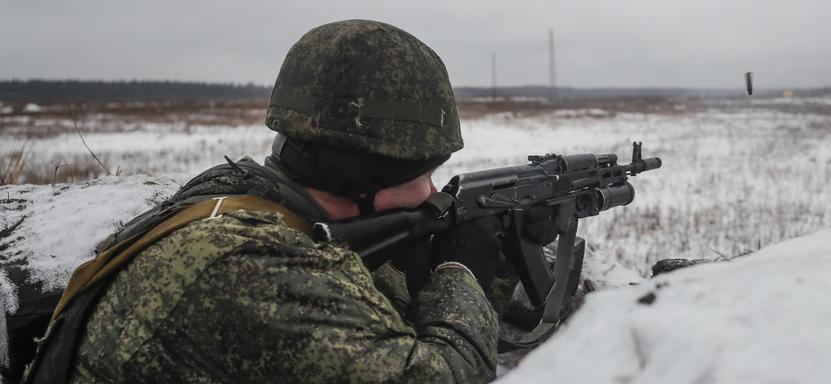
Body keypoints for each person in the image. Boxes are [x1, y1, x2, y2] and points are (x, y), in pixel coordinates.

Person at [61, 20, 502, 383]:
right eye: (422, 173)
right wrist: (462, 275)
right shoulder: (252, 268)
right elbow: (439, 376)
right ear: (362, 177)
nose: (431, 192)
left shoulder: (239, 200)